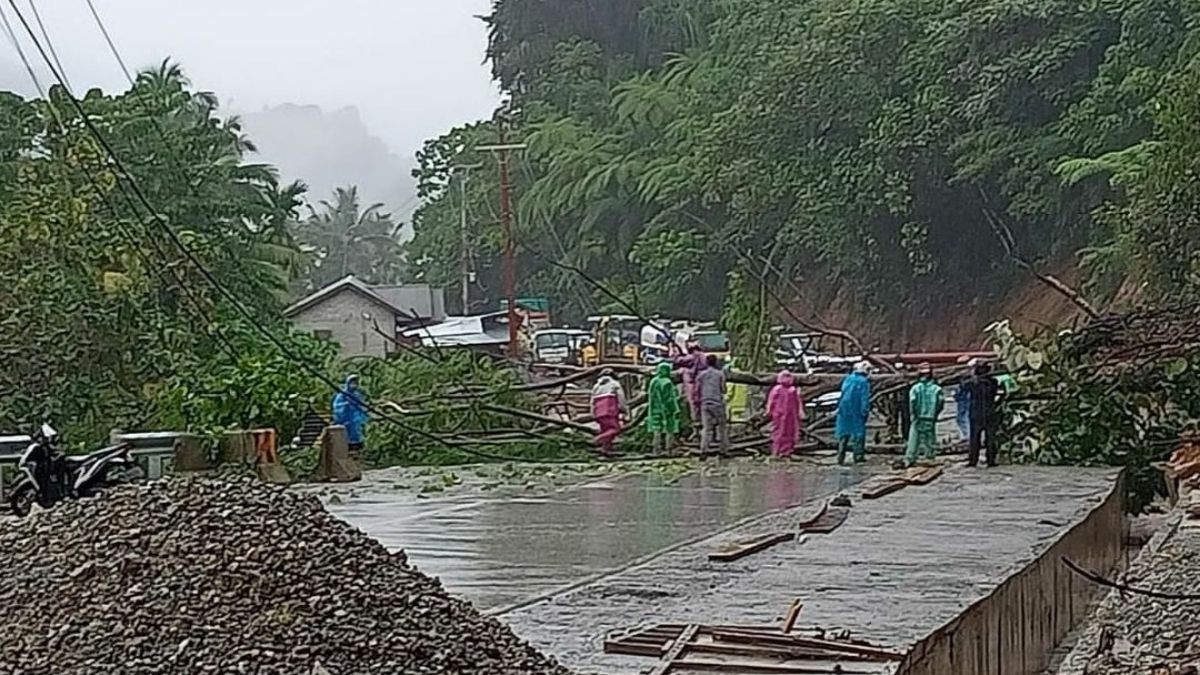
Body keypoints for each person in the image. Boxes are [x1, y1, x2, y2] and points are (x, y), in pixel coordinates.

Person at [904, 363, 944, 467]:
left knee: (913, 440)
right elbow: (940, 404)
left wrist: (913, 415)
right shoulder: (937, 389)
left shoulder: (915, 388)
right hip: (930, 417)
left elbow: (912, 403)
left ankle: (910, 459)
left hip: (918, 417)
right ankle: (930, 458)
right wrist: (935, 414)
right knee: (930, 440)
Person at [965, 360, 1002, 467]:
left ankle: (973, 461)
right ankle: (991, 460)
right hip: (990, 411)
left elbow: (964, 386)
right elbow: (998, 393)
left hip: (976, 413)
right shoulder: (993, 382)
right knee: (990, 437)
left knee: (974, 438)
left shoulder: (972, 383)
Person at [835, 361, 872, 464]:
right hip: (856, 409)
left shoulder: (848, 379)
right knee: (858, 434)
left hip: (844, 409)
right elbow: (864, 398)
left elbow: (842, 393)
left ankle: (840, 456)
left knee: (843, 433)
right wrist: (865, 411)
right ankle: (858, 456)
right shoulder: (864, 382)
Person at [696, 354, 730, 455]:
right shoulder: (720, 374)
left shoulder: (701, 375)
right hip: (717, 403)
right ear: (716, 362)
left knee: (706, 428)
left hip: (705, 403)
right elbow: (724, 389)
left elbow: (697, 389)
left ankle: (703, 450)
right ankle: (723, 450)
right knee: (722, 427)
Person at [767, 370, 805, 458]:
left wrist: (800, 411)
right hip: (779, 414)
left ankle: (787, 451)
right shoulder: (777, 389)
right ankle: (777, 451)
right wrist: (769, 410)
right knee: (779, 432)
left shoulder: (793, 390)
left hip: (791, 415)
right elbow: (771, 400)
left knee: (790, 432)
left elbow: (798, 402)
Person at [646, 362, 682, 454]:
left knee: (656, 429)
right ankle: (669, 449)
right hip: (667, 409)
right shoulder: (667, 382)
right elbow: (669, 398)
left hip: (654, 408)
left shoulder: (653, 381)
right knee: (670, 429)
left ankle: (656, 449)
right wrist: (675, 409)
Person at [591, 369, 628, 456]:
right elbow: (621, 398)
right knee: (614, 429)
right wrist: (624, 409)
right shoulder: (615, 384)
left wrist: (592, 412)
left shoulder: (596, 386)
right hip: (610, 410)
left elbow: (592, 401)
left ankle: (606, 449)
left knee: (605, 430)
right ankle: (597, 440)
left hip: (598, 411)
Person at [333, 375, 369, 455]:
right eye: (352, 382)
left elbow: (361, 406)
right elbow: (336, 406)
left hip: (356, 419)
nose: (354, 385)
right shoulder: (342, 395)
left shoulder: (357, 395)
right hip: (345, 419)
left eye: (355, 383)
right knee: (346, 434)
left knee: (357, 433)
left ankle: (358, 449)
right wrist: (346, 405)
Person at [954, 373, 972, 441]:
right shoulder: (960, 388)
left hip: (966, 406)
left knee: (966, 420)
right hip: (961, 406)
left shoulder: (968, 388)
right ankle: (964, 435)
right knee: (959, 420)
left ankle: (968, 435)